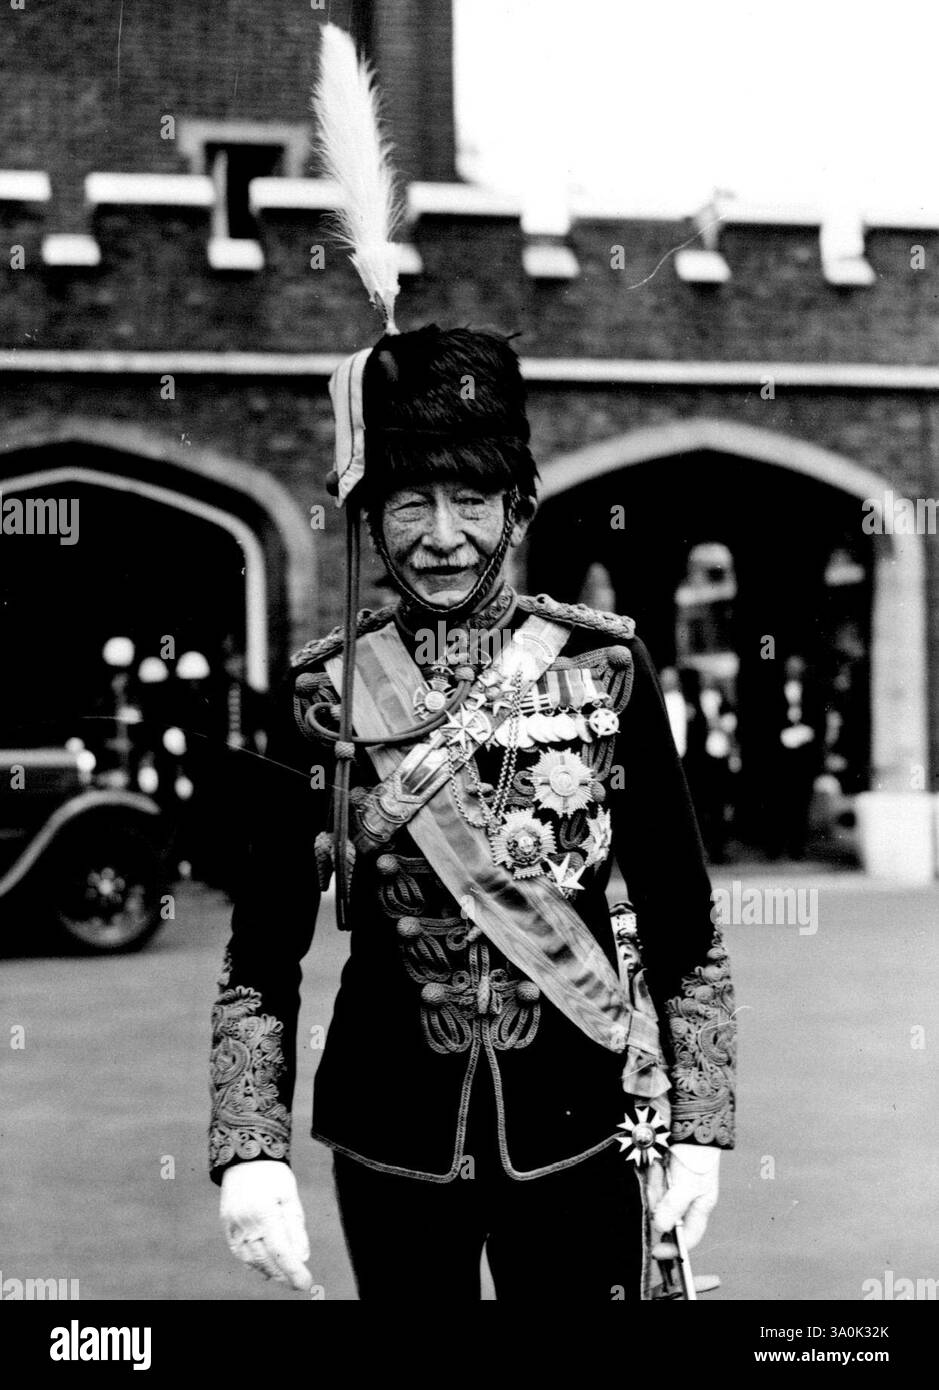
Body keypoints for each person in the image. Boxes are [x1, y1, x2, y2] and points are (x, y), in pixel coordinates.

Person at [207, 22, 736, 1303]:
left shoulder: (607, 669)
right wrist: (246, 1150)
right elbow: (259, 959)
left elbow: (684, 926)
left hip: (583, 1131)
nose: (440, 536)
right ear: (368, 512)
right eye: (407, 501)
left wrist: (708, 1121)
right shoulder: (323, 695)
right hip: (390, 1141)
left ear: (518, 504)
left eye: (471, 499)